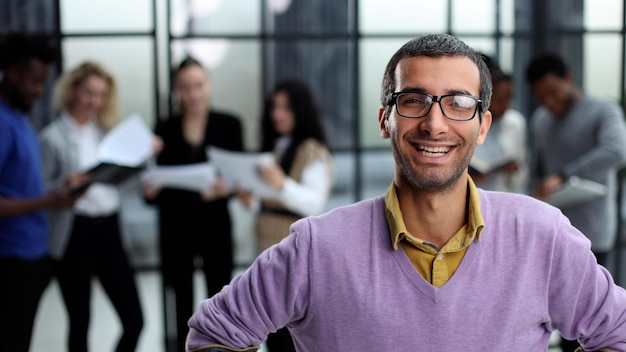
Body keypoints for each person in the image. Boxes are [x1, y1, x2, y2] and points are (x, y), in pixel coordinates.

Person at [184, 33, 626, 351]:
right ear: (385, 120)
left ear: (483, 126)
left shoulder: (541, 235)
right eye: (413, 100)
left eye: (458, 103)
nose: (435, 123)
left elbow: (617, 331)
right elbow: (214, 334)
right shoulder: (318, 248)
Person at [38, 61, 145, 352]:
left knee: (134, 320)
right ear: (73, 90)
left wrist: (139, 160)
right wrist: (65, 182)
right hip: (74, 234)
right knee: (80, 321)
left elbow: (117, 183)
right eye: (89, 93)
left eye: (101, 95)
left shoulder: (107, 134)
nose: (94, 102)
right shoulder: (51, 138)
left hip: (110, 230)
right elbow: (38, 191)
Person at [525, 52, 626, 351]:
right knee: (551, 314)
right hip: (552, 232)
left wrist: (565, 174)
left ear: (569, 79)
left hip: (593, 231)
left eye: (554, 93)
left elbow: (616, 150)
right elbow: (538, 169)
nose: (549, 102)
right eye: (541, 97)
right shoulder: (540, 120)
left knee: (590, 321)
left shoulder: (603, 110)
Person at [142, 56, 244, 352]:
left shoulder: (229, 125)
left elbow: (239, 178)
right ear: (176, 89)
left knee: (220, 302)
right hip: (176, 229)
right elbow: (157, 189)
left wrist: (229, 189)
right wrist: (156, 191)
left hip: (215, 227)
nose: (192, 94)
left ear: (208, 85)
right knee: (181, 306)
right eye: (185, 88)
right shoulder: (164, 128)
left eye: (198, 86)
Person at [0, 33, 87, 352]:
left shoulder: (20, 119)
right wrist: (52, 200)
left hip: (33, 251)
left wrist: (59, 188)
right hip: (11, 258)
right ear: (12, 74)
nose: (39, 91)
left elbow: (22, 187)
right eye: (35, 81)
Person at [238, 79, 334, 351]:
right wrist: (253, 202)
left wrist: (282, 185)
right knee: (274, 334)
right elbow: (276, 206)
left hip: (294, 257)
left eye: (286, 108)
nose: (277, 114)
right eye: (275, 107)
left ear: (300, 111)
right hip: (267, 251)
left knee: (289, 335)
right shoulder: (278, 146)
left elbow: (313, 204)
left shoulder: (312, 151)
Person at [470, 54, 528, 193]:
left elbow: (522, 173)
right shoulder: (468, 120)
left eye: (509, 99)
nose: (506, 106)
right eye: (501, 100)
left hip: (505, 194)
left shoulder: (516, 123)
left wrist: (514, 169)